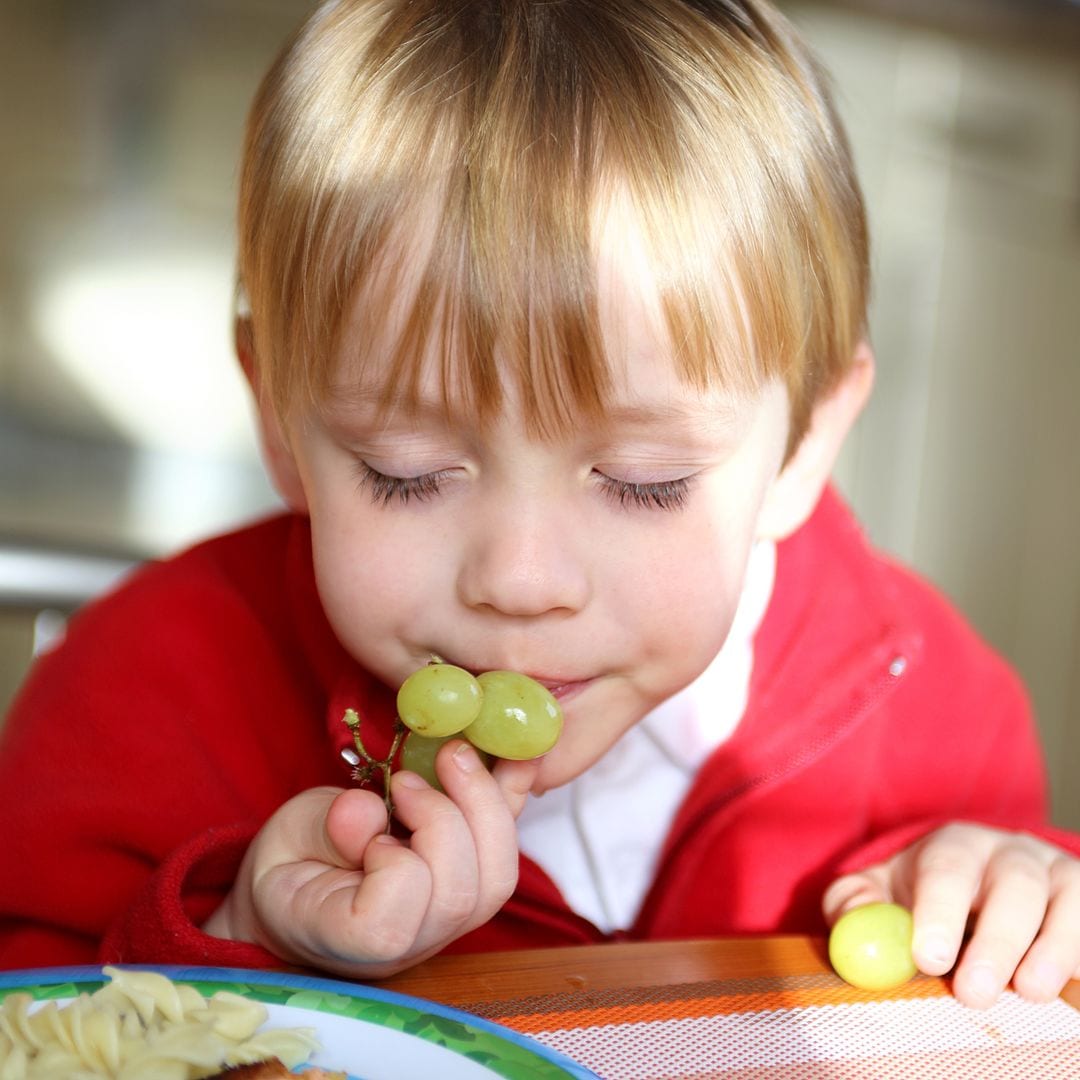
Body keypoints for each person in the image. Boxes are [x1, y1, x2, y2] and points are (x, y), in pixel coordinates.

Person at [1, 0, 1077, 1012]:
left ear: (804, 447)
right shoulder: (142, 687)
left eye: (644, 480)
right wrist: (241, 942)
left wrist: (1013, 898)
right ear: (281, 425)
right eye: (405, 469)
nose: (518, 580)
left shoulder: (937, 714)